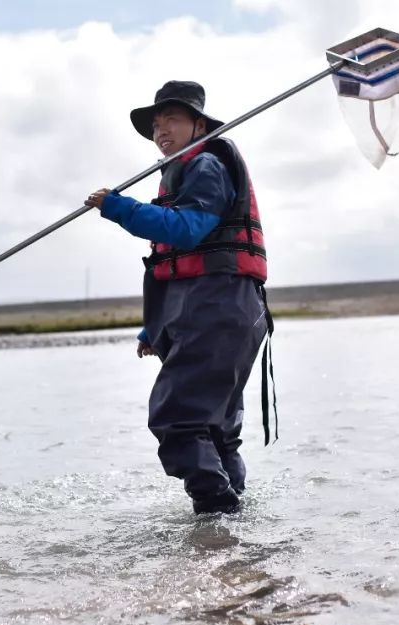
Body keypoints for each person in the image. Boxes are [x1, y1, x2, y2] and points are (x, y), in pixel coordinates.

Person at [84, 80, 273, 515]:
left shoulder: (205, 165)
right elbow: (177, 265)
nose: (161, 131)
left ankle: (216, 518)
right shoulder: (188, 171)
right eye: (156, 125)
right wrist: (154, 328)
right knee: (215, 429)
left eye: (171, 119)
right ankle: (233, 524)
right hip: (222, 309)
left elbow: (187, 230)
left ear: (199, 125)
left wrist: (119, 207)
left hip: (220, 307)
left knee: (178, 418)